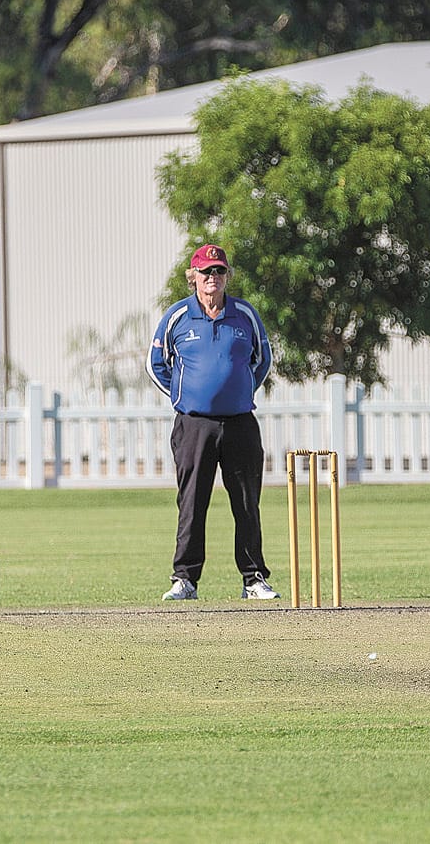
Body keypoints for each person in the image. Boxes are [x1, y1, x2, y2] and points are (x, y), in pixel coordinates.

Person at [147, 243, 278, 602]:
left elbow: (262, 360)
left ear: (226, 276)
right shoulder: (178, 316)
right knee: (191, 502)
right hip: (194, 425)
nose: (212, 278)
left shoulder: (244, 314)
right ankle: (185, 579)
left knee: (247, 502)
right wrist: (183, 396)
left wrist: (240, 389)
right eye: (206, 272)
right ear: (194, 277)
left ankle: (253, 578)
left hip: (239, 422)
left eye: (218, 271)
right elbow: (155, 364)